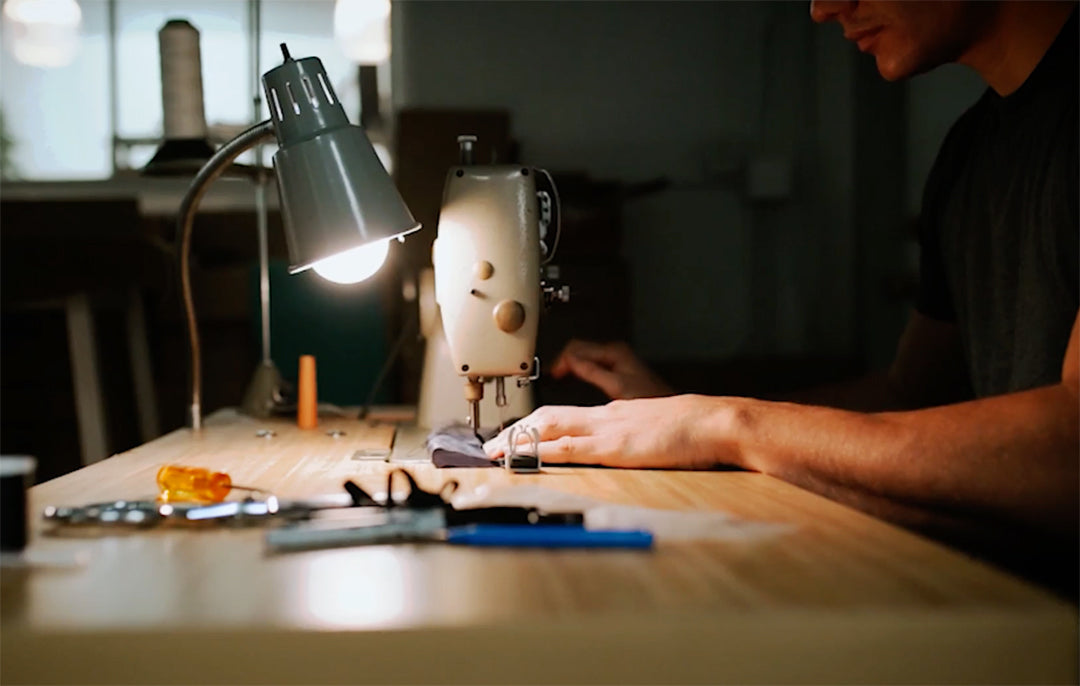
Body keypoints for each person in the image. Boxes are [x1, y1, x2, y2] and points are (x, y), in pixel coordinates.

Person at [484, 0, 1079, 595]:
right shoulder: (971, 150)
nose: (823, 8)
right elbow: (912, 396)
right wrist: (683, 412)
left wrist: (727, 424)